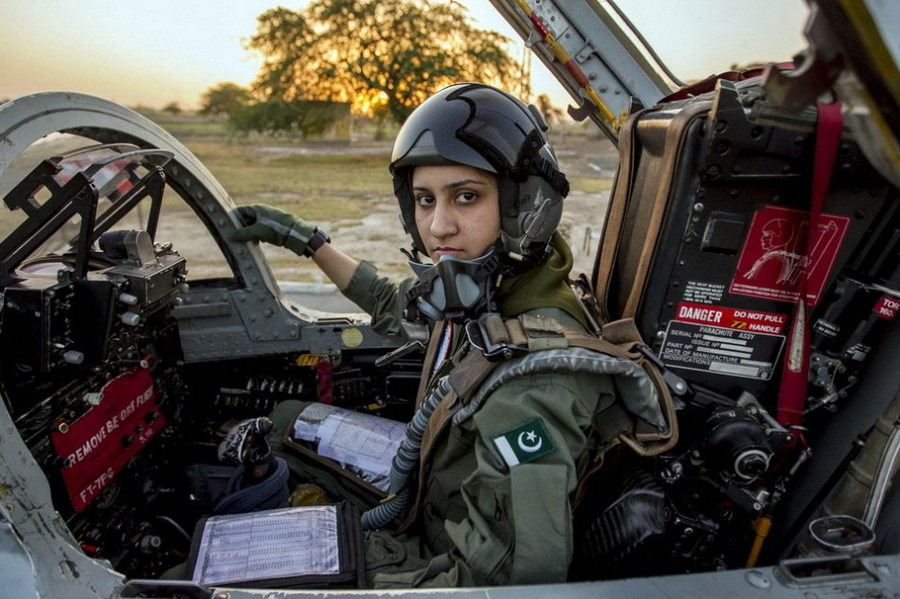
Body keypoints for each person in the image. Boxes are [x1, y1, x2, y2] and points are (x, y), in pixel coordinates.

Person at [230, 83, 667, 588]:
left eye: (466, 196)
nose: (438, 227)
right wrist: (306, 240)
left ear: (525, 206)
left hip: (432, 547)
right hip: (428, 487)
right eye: (424, 200)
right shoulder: (490, 291)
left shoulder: (530, 387)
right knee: (286, 421)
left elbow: (512, 584)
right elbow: (393, 304)